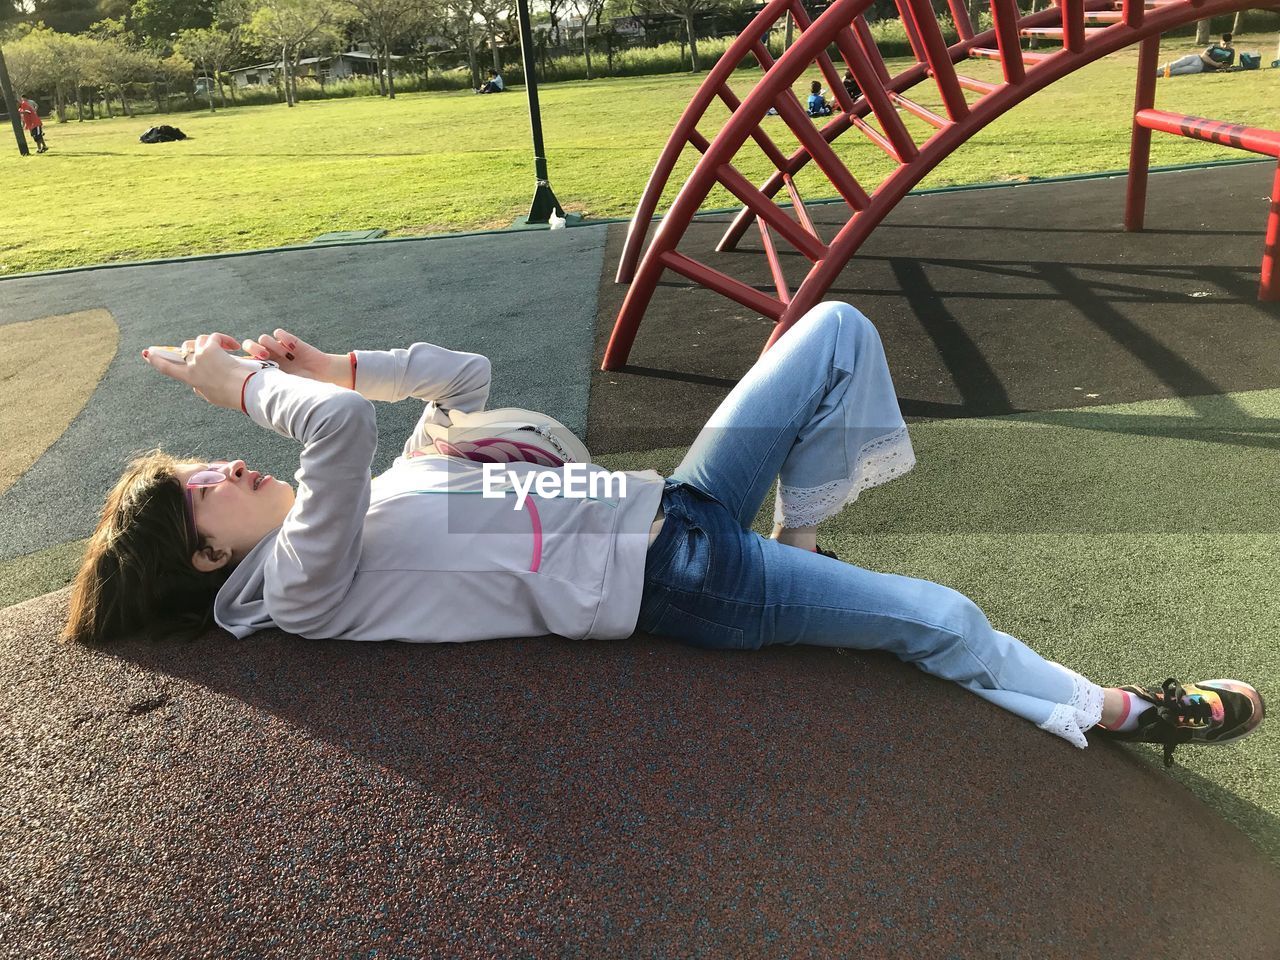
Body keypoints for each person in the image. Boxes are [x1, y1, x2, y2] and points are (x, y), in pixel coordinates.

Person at [64, 303, 1265, 767]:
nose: (221, 468)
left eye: (205, 459)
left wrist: (338, 364)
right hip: (680, 578)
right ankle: (1122, 712)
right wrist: (238, 385)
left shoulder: (361, 509)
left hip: (672, 505)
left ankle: (808, 538)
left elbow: (468, 377)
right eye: (196, 490)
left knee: (831, 331)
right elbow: (323, 434)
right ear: (208, 559)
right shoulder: (298, 587)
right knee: (939, 619)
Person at [1159, 33, 1235, 77]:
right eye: (1224, 44)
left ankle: (1157, 75)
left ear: (1231, 42)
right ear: (1220, 41)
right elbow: (1204, 56)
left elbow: (1229, 65)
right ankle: (1153, 73)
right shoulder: (1214, 46)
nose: (1225, 46)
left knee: (1179, 71)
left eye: (1228, 44)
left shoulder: (1231, 52)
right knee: (1175, 64)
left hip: (1200, 67)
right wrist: (1215, 64)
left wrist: (1221, 65)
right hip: (1196, 58)